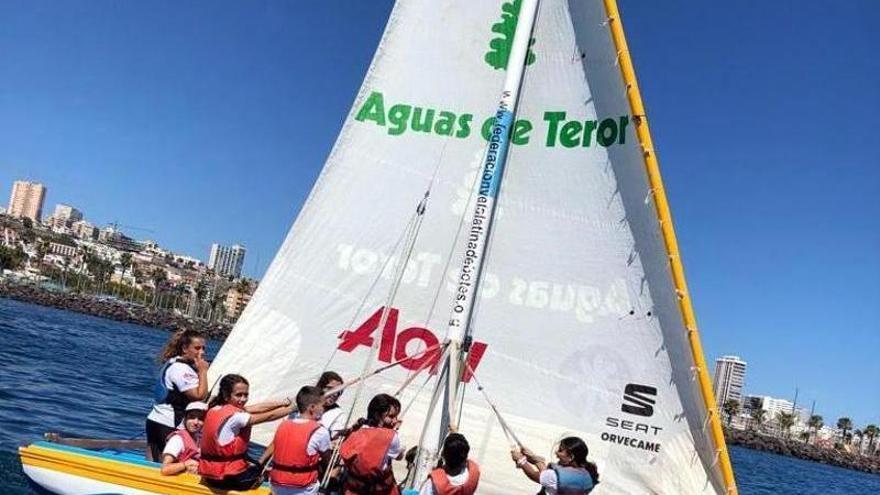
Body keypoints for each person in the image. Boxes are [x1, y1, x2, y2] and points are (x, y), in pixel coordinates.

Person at [199, 374, 294, 491]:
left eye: (246, 395)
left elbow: (257, 408)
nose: (243, 399)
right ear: (225, 394)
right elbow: (270, 416)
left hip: (209, 473)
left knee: (248, 463)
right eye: (239, 395)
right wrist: (292, 408)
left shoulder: (215, 408)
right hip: (226, 478)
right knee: (261, 468)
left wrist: (282, 403)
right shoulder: (237, 417)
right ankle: (260, 472)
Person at [145, 329, 209, 461]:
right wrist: (203, 371)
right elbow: (198, 396)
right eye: (197, 348)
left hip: (155, 419)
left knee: (152, 461)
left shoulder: (174, 362)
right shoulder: (181, 369)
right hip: (168, 423)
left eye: (203, 348)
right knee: (168, 462)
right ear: (185, 348)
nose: (201, 352)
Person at [261, 386, 333, 495]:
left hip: (276, 485)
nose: (324, 409)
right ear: (312, 407)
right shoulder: (320, 431)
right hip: (303, 488)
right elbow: (328, 461)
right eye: (322, 406)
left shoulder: (283, 425)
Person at [339, 394, 404, 495]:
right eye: (391, 417)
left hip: (353, 489)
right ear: (377, 415)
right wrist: (395, 434)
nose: (395, 421)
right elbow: (399, 456)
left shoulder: (357, 431)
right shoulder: (390, 437)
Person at [510, 437, 599, 495]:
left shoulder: (559, 477)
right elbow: (549, 478)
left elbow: (534, 475)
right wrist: (536, 460)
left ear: (571, 457)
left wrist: (521, 460)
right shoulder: (587, 473)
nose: (556, 452)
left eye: (560, 450)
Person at [160, 401, 207, 476]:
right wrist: (185, 464)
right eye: (191, 417)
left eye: (200, 419)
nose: (196, 422)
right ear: (185, 419)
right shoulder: (177, 440)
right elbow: (165, 469)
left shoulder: (199, 439)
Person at [316, 371, 345, 439]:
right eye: (331, 389)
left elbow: (336, 439)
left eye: (338, 392)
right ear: (320, 387)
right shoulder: (304, 402)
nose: (335, 394)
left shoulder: (338, 414)